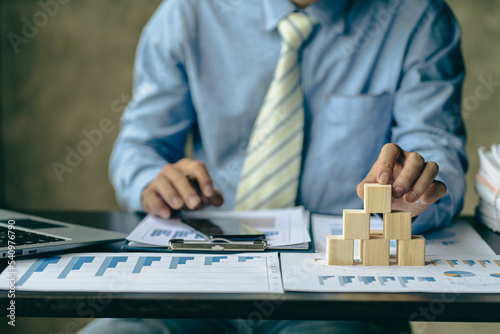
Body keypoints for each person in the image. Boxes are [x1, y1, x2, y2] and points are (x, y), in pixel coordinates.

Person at [85, 0, 467, 332]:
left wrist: (417, 193)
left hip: (344, 289)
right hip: (200, 272)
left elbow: (437, 147)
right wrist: (151, 180)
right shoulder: (187, 12)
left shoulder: (419, 19)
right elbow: (139, 147)